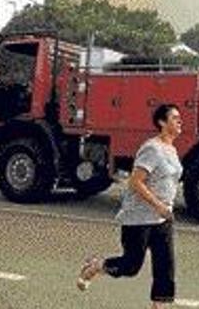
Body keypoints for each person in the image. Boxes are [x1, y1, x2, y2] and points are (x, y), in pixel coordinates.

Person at [77, 103, 183, 308]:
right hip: (139, 216)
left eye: (180, 118)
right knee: (131, 265)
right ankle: (97, 266)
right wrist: (158, 204)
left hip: (162, 217)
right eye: (175, 118)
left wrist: (165, 207)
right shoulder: (152, 148)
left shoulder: (172, 149)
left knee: (165, 267)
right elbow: (135, 182)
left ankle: (159, 306)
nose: (180, 121)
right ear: (162, 122)